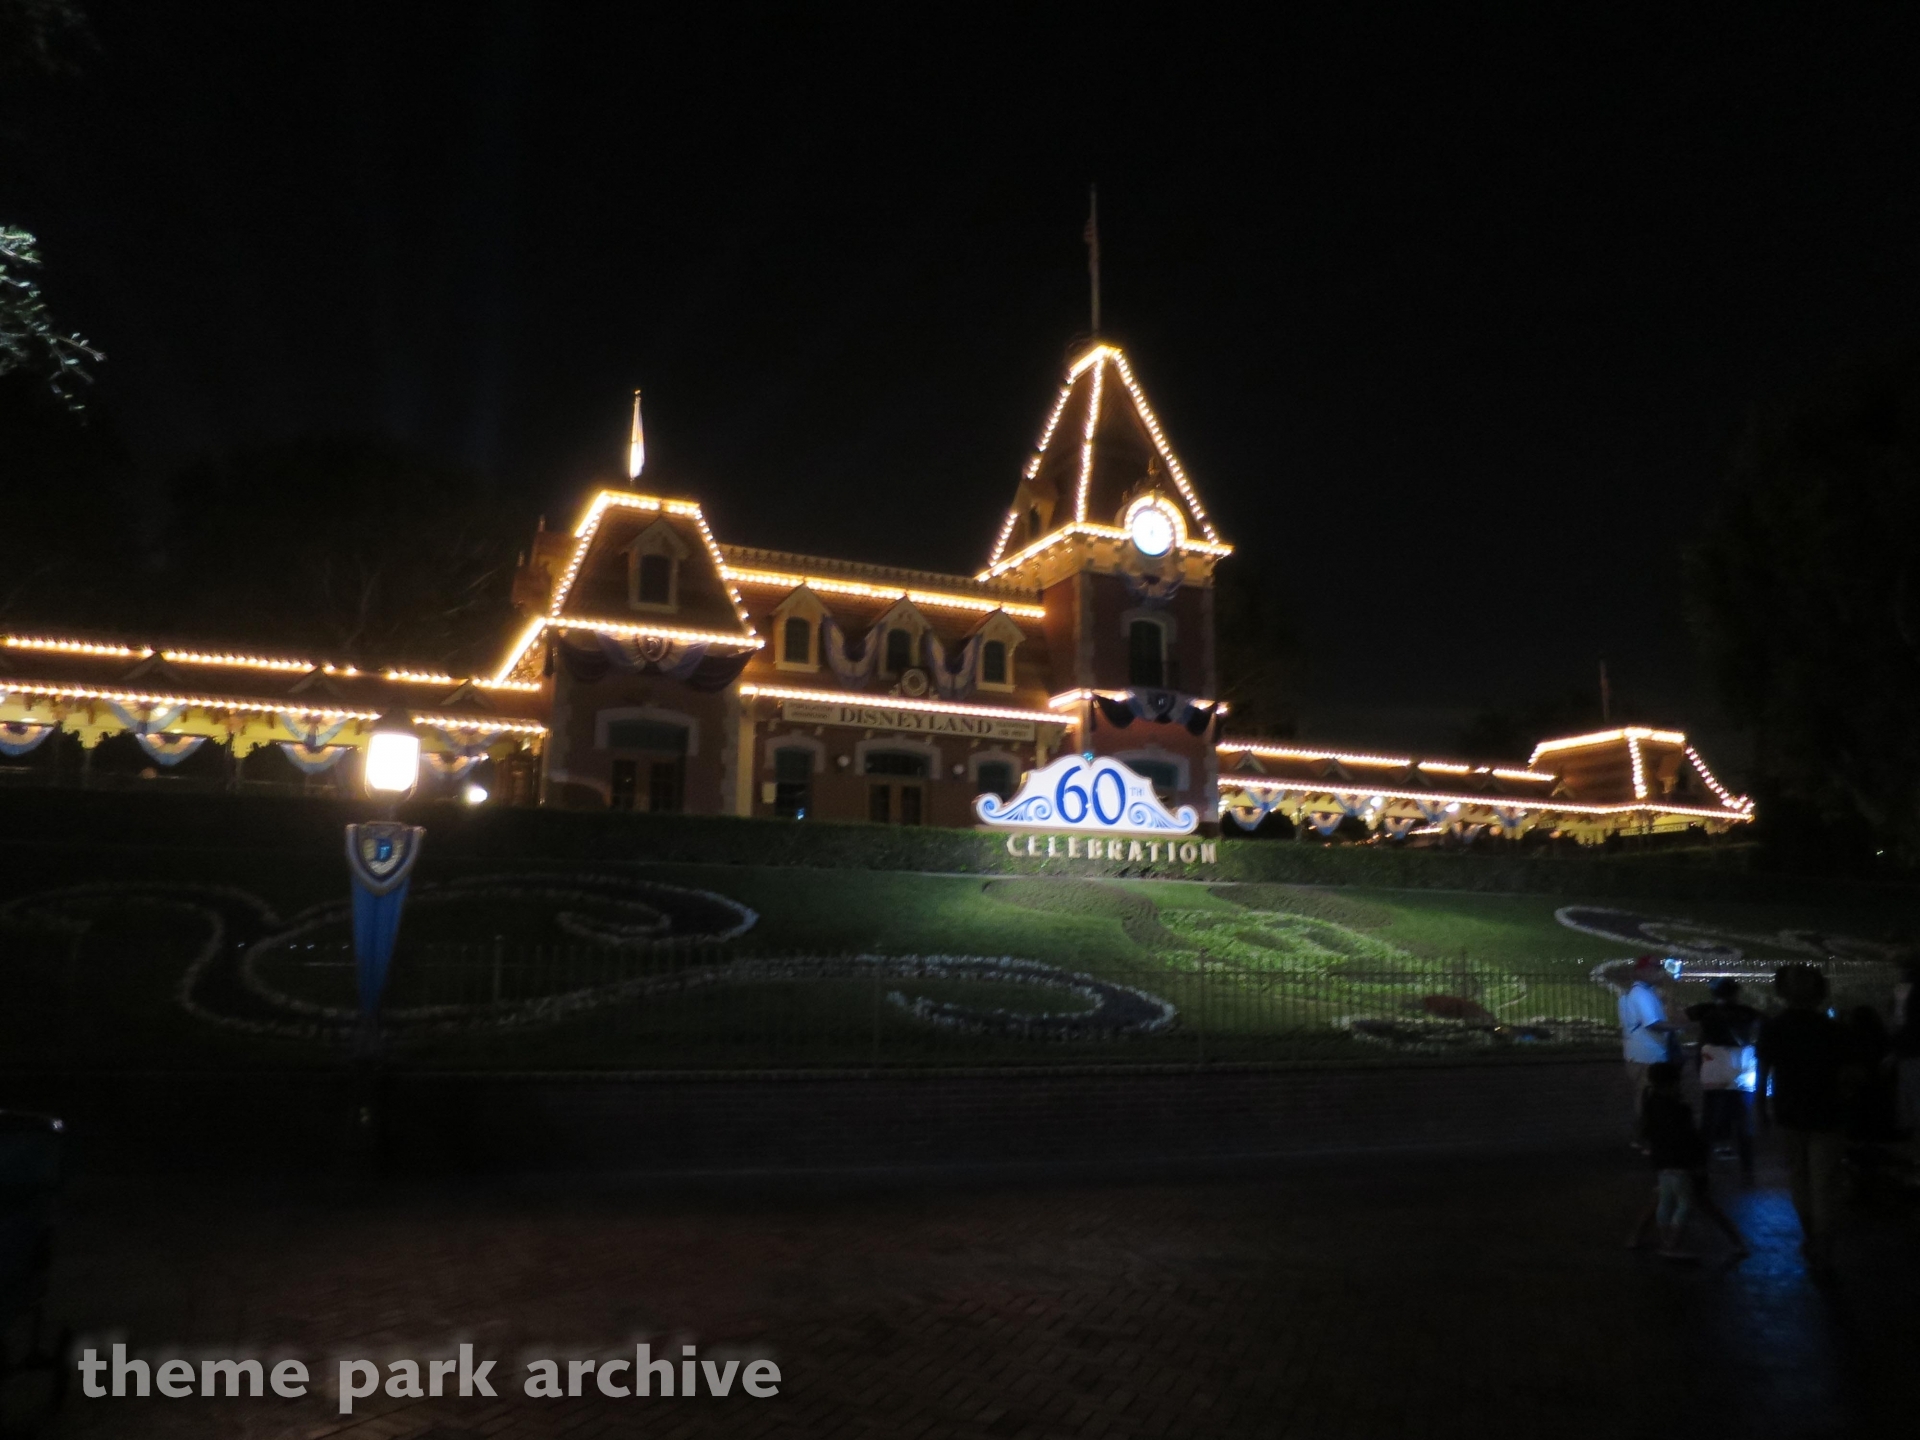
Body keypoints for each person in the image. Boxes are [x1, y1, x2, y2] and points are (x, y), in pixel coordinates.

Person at [1757, 963, 1850, 1277]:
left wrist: (1760, 1108)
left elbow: (1763, 1071)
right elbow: (1847, 1073)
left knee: (1799, 1177)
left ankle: (1811, 1236)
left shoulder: (1774, 1026)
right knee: (1824, 1182)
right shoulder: (1832, 1028)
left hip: (1789, 1109)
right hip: (1827, 1109)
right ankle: (1824, 1244)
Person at [1628, 1062, 1707, 1259]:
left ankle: (1664, 1241)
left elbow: (1646, 1133)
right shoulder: (1679, 1110)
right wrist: (1698, 1161)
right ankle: (1672, 1244)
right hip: (1680, 1162)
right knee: (1684, 1203)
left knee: (1665, 1201)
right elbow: (1689, 1138)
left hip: (1661, 1162)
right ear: (1673, 1083)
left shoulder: (1651, 1106)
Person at [1686, 977, 1761, 1176]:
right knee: (1743, 1117)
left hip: (1714, 1069)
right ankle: (1747, 1166)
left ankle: (1701, 1164)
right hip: (1740, 1069)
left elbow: (1683, 1019)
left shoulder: (1705, 1011)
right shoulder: (1747, 1012)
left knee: (1710, 1115)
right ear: (1736, 994)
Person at [1616, 956, 1680, 1136]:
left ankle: (1646, 1137)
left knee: (1647, 1098)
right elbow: (1653, 1024)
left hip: (1644, 1054)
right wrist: (1680, 1027)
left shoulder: (1643, 992)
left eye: (1659, 968)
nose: (1659, 972)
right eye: (1654, 968)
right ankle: (1646, 1138)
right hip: (1647, 1056)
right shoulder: (1641, 994)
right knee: (1647, 1099)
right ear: (1640, 972)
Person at [1892, 953, 1920, 1140]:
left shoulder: (1904, 990)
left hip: (1910, 1050)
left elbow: (1899, 1019)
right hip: (1911, 1049)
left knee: (1912, 1096)